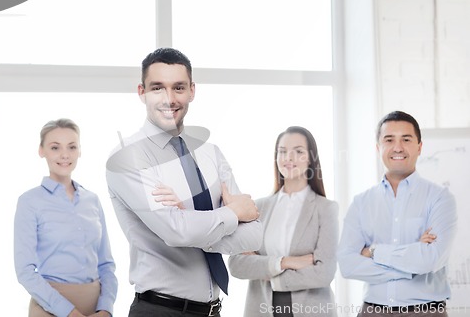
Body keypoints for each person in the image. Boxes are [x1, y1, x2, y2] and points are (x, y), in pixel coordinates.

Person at [105, 47, 262, 317]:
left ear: (192, 91)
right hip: (159, 310)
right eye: (157, 88)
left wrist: (195, 224)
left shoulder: (210, 153)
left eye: (178, 87)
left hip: (213, 312)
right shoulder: (128, 157)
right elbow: (176, 232)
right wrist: (233, 213)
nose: (169, 98)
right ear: (141, 92)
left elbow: (254, 235)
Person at [337, 111, 457, 316]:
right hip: (372, 311)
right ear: (378, 148)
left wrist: (373, 251)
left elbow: (431, 260)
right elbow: (347, 265)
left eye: (406, 139)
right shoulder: (361, 202)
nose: (398, 147)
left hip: (425, 311)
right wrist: (412, 260)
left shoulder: (440, 198)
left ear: (420, 147)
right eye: (389, 139)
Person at [228, 126, 339, 317]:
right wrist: (286, 262)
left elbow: (324, 272)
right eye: (282, 151)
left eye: (298, 151)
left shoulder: (326, 209)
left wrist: (269, 273)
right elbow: (237, 264)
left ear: (311, 158)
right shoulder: (257, 208)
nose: (288, 158)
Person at [14, 118, 118, 317]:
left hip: (96, 308)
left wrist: (106, 308)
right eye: (55, 147)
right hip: (49, 307)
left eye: (72, 147)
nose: (64, 155)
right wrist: (69, 313)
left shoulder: (92, 200)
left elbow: (106, 264)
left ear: (80, 151)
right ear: (41, 151)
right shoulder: (29, 201)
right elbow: (25, 271)